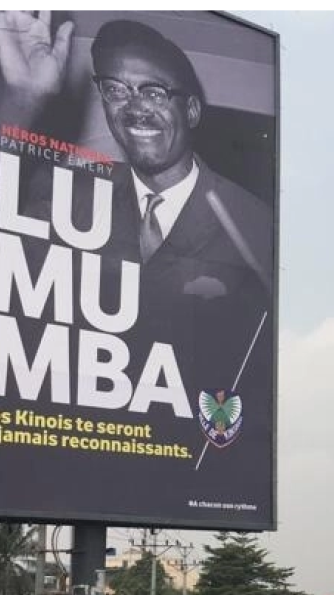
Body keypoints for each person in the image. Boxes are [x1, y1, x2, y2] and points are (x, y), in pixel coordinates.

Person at [0, 13, 274, 519]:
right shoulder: (65, 198)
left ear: (191, 109)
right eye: (116, 91)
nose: (134, 107)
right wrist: (23, 103)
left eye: (154, 91)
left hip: (186, 480)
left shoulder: (252, 226)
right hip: (61, 465)